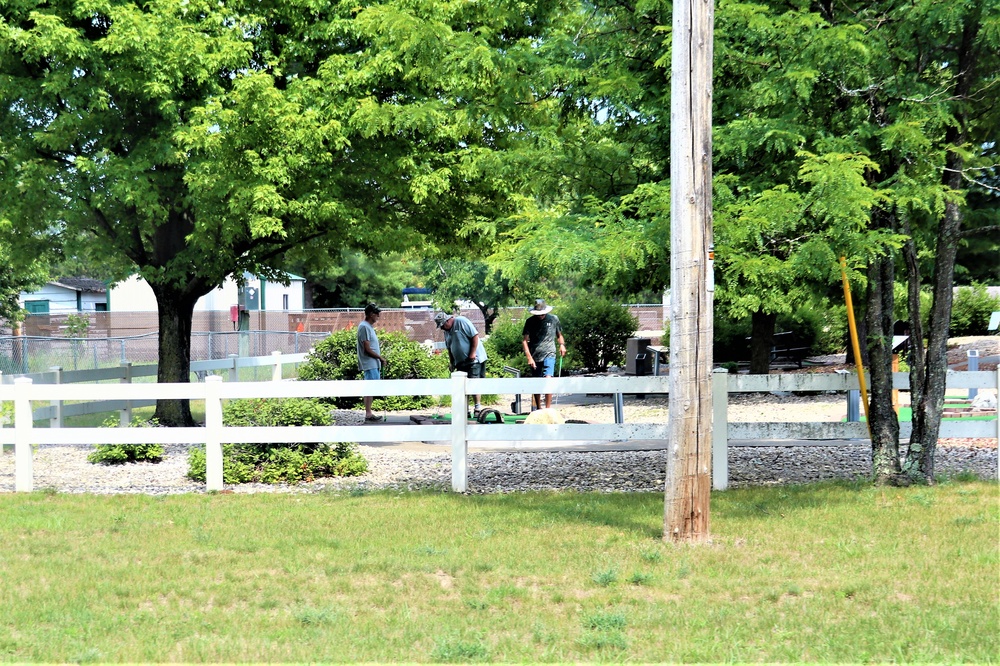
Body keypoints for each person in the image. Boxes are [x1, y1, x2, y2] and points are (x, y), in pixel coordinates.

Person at [434, 311, 488, 416]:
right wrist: (452, 362)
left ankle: (477, 408)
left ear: (448, 320)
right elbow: (449, 347)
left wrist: (472, 354)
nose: (442, 328)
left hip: (474, 360)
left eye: (442, 325)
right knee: (462, 386)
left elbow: (475, 336)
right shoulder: (446, 331)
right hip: (460, 362)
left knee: (473, 382)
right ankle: (465, 410)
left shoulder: (461, 321)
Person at [522, 298, 566, 410]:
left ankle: (548, 408)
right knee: (537, 382)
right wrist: (529, 357)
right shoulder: (530, 322)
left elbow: (559, 334)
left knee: (548, 379)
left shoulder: (554, 319)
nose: (540, 316)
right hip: (535, 354)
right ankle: (539, 408)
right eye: (538, 314)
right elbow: (524, 341)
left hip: (550, 352)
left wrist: (561, 345)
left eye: (542, 314)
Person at [356, 303, 386, 422]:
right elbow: (367, 349)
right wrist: (380, 358)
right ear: (370, 314)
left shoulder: (368, 327)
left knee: (372, 387)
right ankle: (368, 413)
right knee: (370, 387)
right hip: (370, 363)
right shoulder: (364, 327)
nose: (378, 316)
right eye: (376, 314)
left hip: (373, 363)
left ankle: (369, 412)